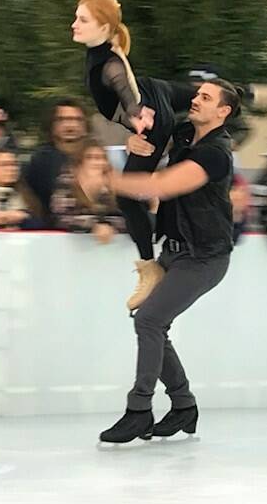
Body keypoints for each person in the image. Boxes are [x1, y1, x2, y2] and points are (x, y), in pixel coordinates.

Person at [98, 79, 240, 444]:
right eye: (196, 94)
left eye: (206, 98)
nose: (195, 100)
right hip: (175, 250)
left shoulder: (216, 153)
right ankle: (183, 405)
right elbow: (144, 143)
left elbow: (161, 186)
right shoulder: (183, 133)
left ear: (223, 112)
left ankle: (139, 410)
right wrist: (134, 143)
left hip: (204, 257)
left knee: (149, 319)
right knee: (149, 322)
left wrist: (108, 179)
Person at [74, 0, 201, 299]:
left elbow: (122, 86)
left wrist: (136, 115)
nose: (74, 24)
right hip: (155, 89)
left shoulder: (108, 64)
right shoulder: (105, 50)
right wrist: (131, 123)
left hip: (153, 117)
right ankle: (251, 93)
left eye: (82, 19)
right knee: (203, 93)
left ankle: (149, 266)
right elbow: (123, 89)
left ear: (104, 28)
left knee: (127, 197)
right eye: (76, 17)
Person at [23, 98, 89, 217]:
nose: (70, 125)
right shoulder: (40, 161)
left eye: (77, 119)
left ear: (85, 126)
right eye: (62, 120)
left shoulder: (97, 156)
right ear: (52, 125)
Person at [50, 140, 126, 242]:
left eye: (101, 158)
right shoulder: (66, 184)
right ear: (79, 163)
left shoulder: (115, 186)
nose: (97, 162)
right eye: (90, 157)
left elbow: (128, 219)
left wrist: (109, 226)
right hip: (74, 247)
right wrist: (94, 227)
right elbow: (62, 218)